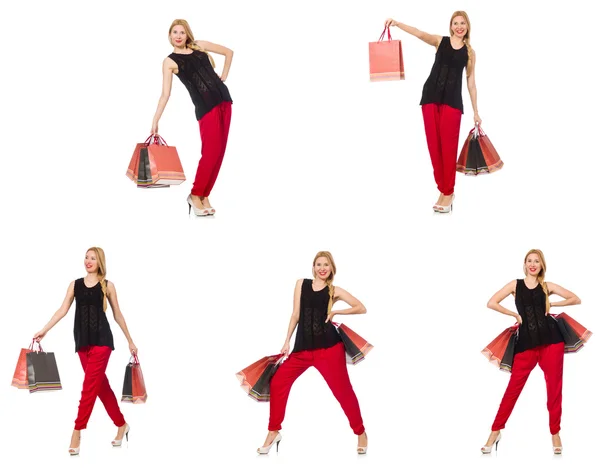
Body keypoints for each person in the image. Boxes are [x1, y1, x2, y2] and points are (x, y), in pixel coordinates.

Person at [258, 251, 369, 455]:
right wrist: (286, 341)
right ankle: (274, 431)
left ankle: (361, 432)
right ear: (313, 267)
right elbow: (295, 315)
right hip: (302, 350)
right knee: (278, 382)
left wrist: (336, 311)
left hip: (329, 349)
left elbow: (361, 308)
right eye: (318, 264)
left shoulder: (334, 290)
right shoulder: (301, 284)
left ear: (331, 268)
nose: (322, 268)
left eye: (326, 264)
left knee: (343, 392)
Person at [33, 247, 138, 456]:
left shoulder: (107, 285)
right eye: (86, 257)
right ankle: (121, 425)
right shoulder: (75, 285)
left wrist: (130, 340)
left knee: (88, 389)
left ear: (100, 262)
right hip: (82, 344)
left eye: (93, 258)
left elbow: (118, 314)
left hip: (102, 342)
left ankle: (77, 431)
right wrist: (44, 330)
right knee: (100, 388)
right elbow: (62, 310)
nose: (88, 261)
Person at [481, 249, 581, 455]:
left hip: (551, 341)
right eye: (529, 261)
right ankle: (495, 431)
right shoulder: (514, 285)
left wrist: (552, 303)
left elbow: (575, 299)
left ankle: (555, 433)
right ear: (525, 264)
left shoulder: (547, 286)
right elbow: (491, 302)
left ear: (542, 265)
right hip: (525, 343)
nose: (533, 264)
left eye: (537, 261)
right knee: (512, 390)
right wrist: (514, 315)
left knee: (554, 389)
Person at [384, 11, 481, 212]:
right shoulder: (440, 41)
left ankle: (449, 192)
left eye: (463, 23)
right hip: (430, 98)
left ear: (467, 26)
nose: (459, 26)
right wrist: (398, 23)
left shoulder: (469, 53)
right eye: (456, 23)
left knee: (448, 148)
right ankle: (443, 190)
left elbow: (471, 84)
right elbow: (419, 33)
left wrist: (476, 112)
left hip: (452, 104)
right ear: (451, 26)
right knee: (434, 147)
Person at [151, 19, 233, 216]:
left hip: (225, 101)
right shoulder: (170, 61)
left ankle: (204, 196)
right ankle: (195, 194)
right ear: (170, 36)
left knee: (219, 153)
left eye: (182, 32)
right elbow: (165, 94)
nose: (178, 35)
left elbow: (229, 52)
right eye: (174, 32)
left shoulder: (200, 46)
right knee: (210, 153)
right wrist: (155, 120)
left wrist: (224, 75)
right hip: (206, 108)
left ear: (187, 34)